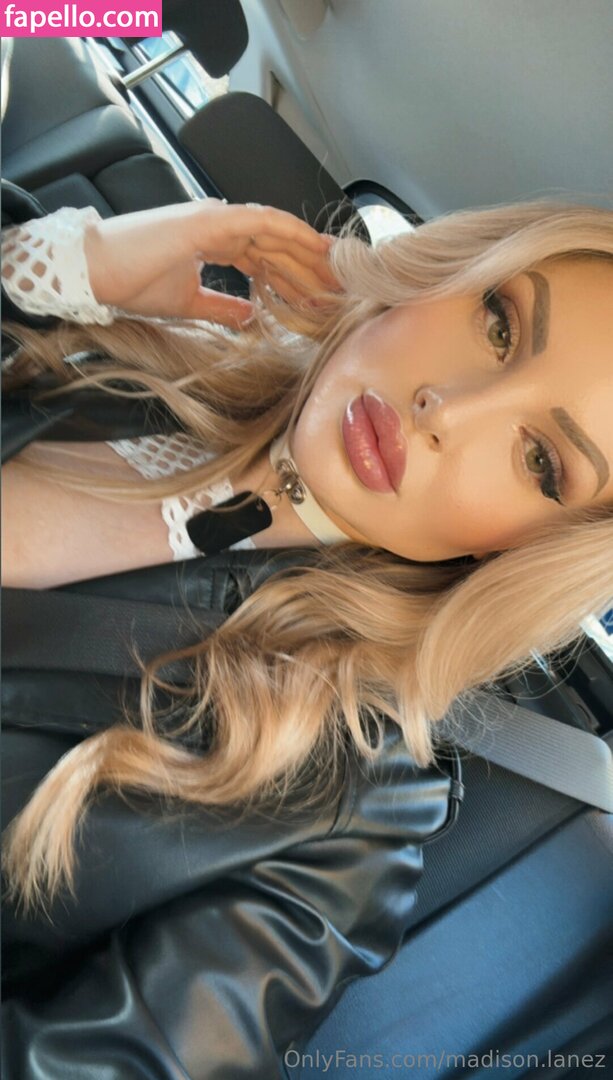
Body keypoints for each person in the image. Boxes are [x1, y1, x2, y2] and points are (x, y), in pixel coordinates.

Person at [1, 195, 612, 1077]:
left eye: (539, 463)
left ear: (521, 551)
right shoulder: (123, 339)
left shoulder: (350, 814)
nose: (446, 409)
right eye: (497, 324)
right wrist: (68, 262)